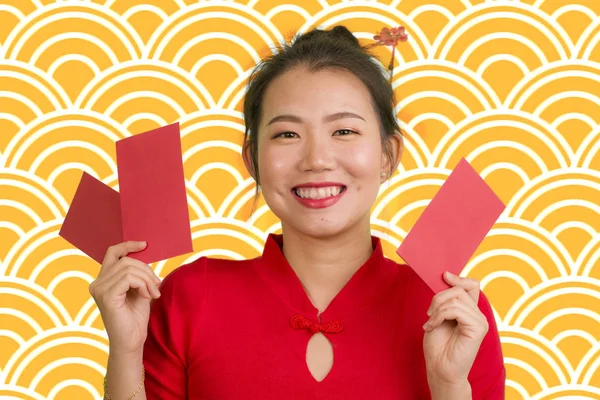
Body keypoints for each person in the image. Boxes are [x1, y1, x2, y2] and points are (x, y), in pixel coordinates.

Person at [90, 25, 506, 399]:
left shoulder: (451, 311)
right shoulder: (188, 297)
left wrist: (449, 385)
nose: (317, 159)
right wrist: (125, 350)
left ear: (388, 154)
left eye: (344, 131)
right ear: (253, 159)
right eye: (287, 133)